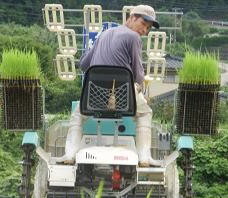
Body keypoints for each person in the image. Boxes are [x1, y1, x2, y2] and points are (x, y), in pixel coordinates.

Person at [58, 5, 162, 167]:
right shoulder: (133, 37)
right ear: (132, 17)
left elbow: (84, 64)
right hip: (122, 94)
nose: (144, 31)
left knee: (78, 115)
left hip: (95, 94)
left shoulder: (104, 34)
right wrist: (143, 93)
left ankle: (70, 155)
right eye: (143, 24)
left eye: (148, 29)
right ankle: (144, 158)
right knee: (145, 113)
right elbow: (138, 73)